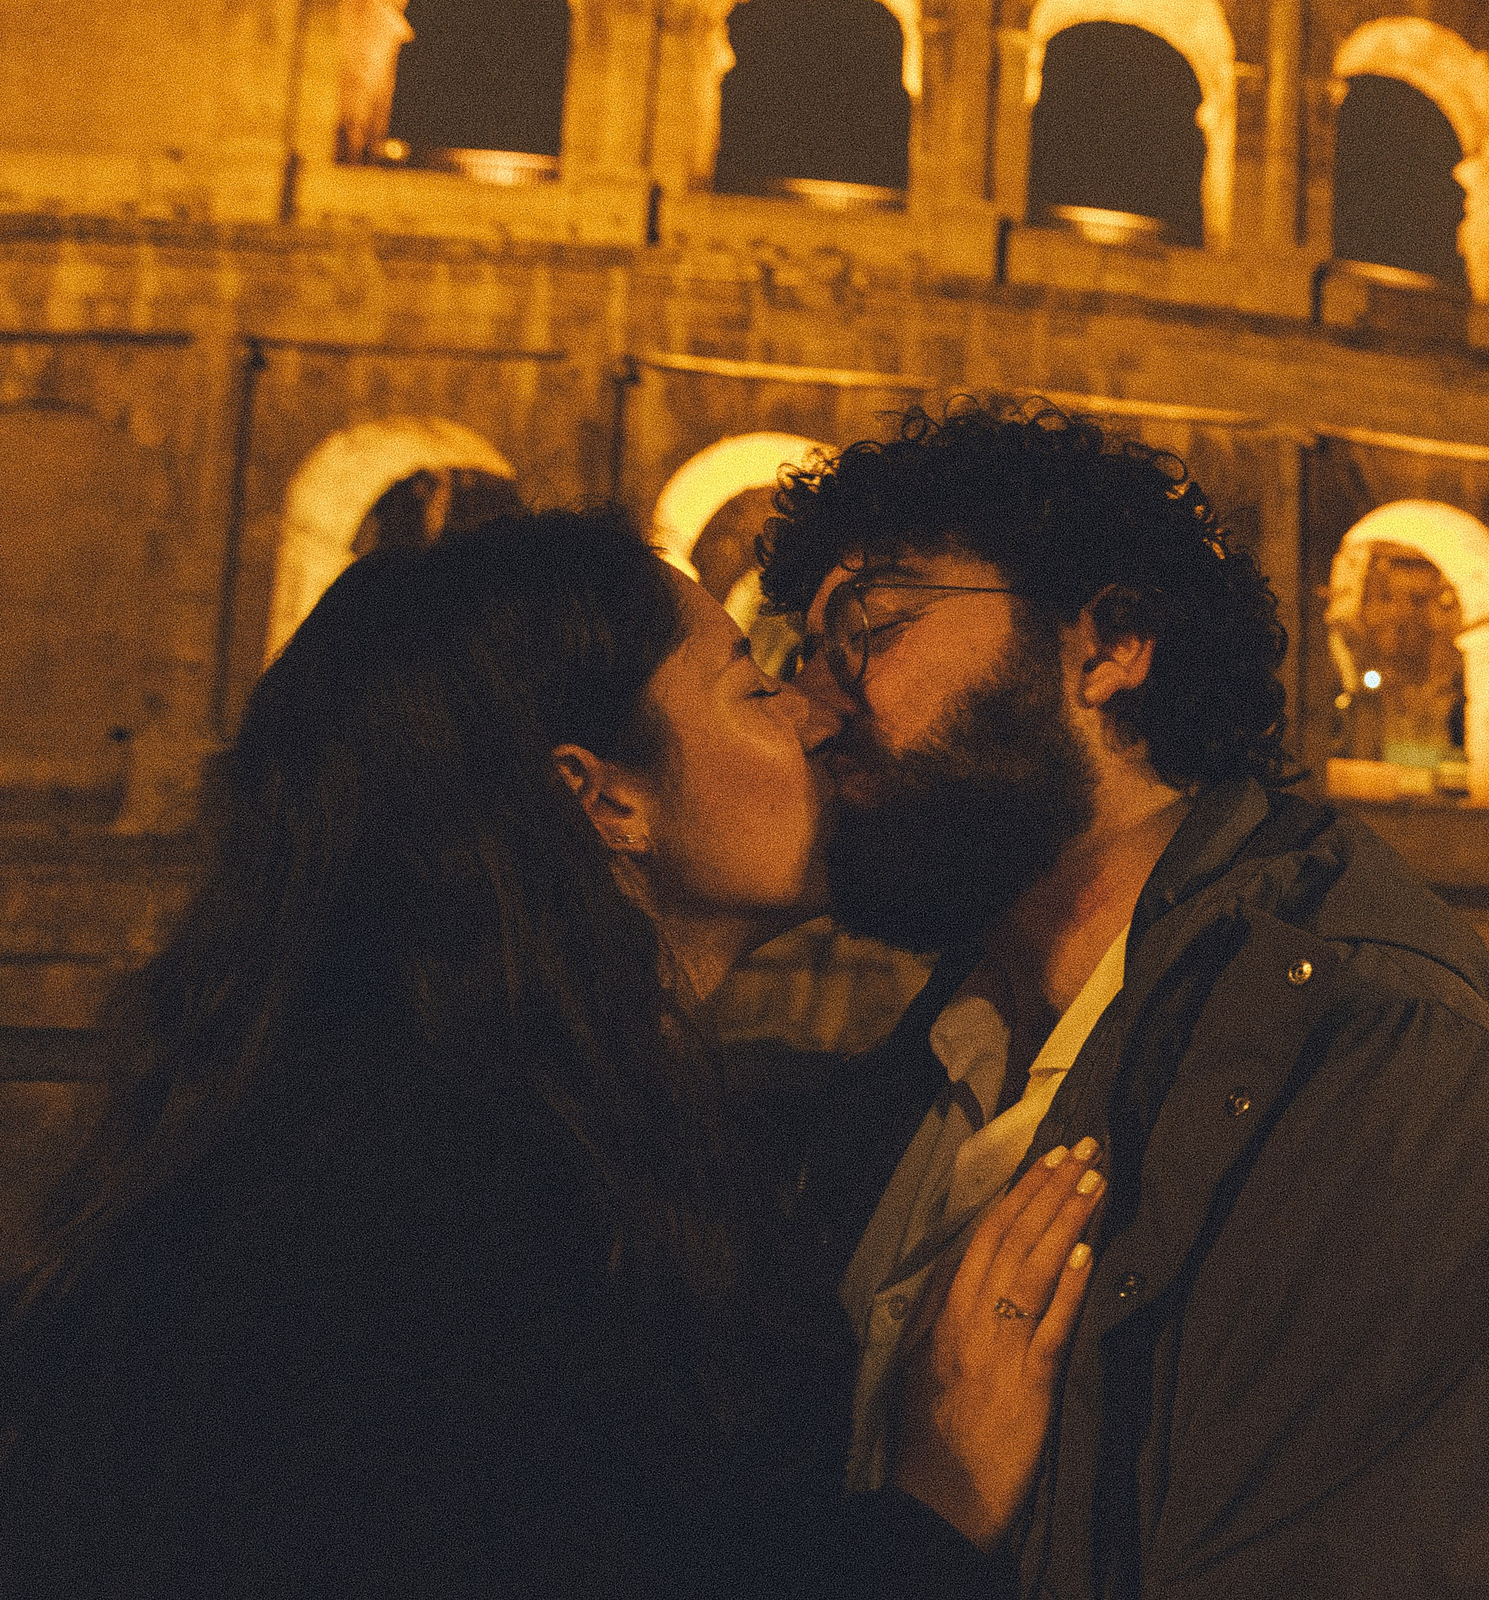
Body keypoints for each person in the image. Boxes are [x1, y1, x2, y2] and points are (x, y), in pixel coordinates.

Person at [0, 508, 1103, 1597]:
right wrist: (935, 1506)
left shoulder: (424, 1113)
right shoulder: (426, 1199)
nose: (817, 714)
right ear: (604, 794)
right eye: (754, 682)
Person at [753, 402, 1489, 1599]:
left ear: (1106, 647)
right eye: (799, 658)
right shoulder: (928, 1055)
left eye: (869, 631)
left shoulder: (1382, 1058)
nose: (814, 707)